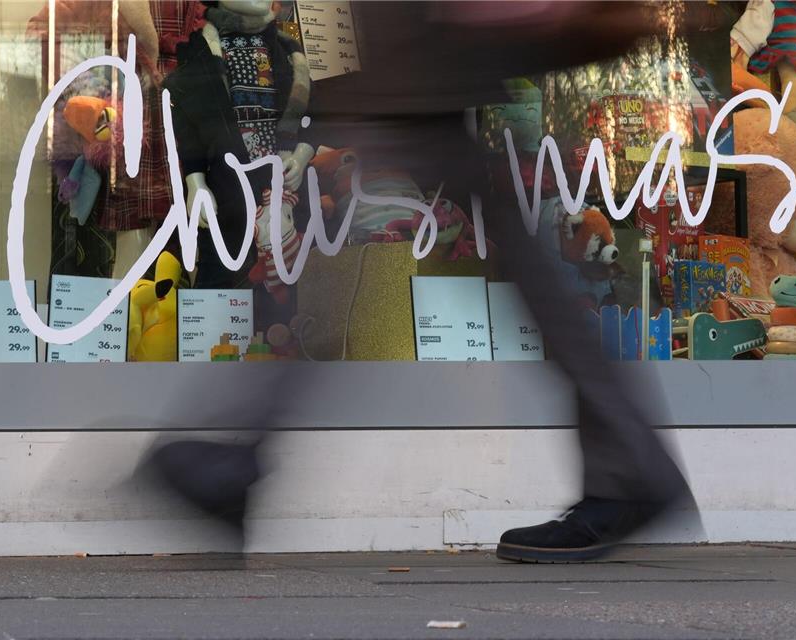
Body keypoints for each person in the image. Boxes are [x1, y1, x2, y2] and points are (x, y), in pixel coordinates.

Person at [148, 0, 696, 563]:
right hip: (417, 38)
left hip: (423, 35)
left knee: (471, 212)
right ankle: (631, 461)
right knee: (489, 222)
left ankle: (237, 460)